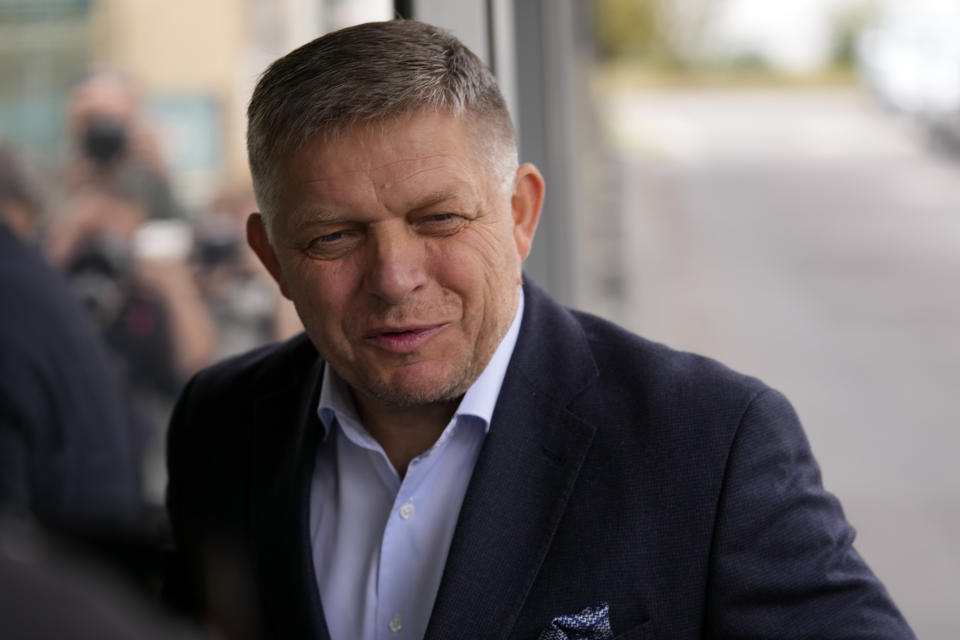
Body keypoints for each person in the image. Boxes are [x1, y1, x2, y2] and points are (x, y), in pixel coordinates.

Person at [164, 20, 915, 640]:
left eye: (439, 219)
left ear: (520, 214)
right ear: (271, 258)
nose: (395, 277)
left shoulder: (709, 443)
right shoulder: (219, 423)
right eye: (334, 237)